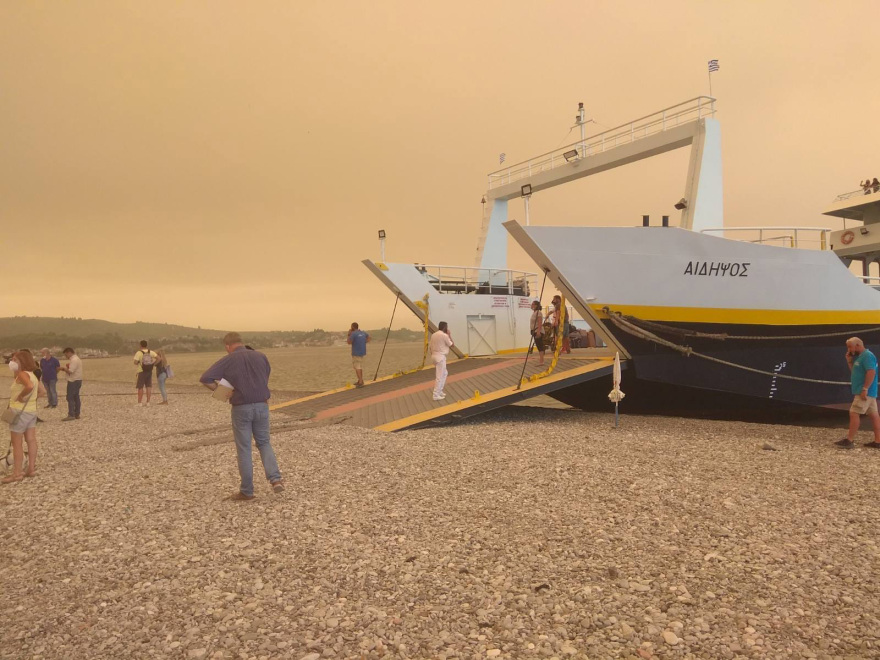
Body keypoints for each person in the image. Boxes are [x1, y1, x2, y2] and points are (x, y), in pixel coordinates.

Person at [199, 332, 284, 500]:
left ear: (227, 346)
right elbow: (265, 376)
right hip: (262, 405)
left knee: (244, 448)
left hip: (241, 407)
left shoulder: (229, 359)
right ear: (242, 342)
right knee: (264, 442)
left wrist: (221, 391)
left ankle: (247, 490)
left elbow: (205, 378)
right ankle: (276, 480)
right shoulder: (261, 356)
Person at [3, 350, 45, 483]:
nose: (12, 362)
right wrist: (31, 400)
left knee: (17, 444)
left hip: (19, 412)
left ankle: (17, 473)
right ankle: (31, 469)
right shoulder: (33, 374)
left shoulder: (22, 374)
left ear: (22, 361)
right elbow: (42, 391)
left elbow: (29, 386)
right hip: (31, 411)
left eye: (15, 360)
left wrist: (21, 397)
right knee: (31, 440)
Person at [836, 337, 880, 449]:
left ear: (857, 345)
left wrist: (865, 389)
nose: (849, 349)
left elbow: (871, 372)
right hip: (868, 391)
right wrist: (849, 361)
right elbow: (856, 372)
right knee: (874, 415)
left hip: (864, 391)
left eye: (850, 347)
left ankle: (849, 440)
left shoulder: (867, 356)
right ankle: (878, 441)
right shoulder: (860, 357)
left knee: (854, 413)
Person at [429, 321, 454, 401]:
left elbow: (430, 347)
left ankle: (440, 391)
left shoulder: (433, 335)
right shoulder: (444, 335)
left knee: (445, 373)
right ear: (445, 327)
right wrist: (449, 335)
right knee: (439, 376)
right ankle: (436, 395)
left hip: (434, 355)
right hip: (440, 357)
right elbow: (452, 345)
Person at [60, 347, 83, 421]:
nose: (65, 356)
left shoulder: (74, 360)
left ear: (69, 352)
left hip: (73, 381)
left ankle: (71, 414)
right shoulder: (77, 359)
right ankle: (77, 413)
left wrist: (63, 369)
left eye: (66, 354)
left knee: (70, 397)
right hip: (78, 380)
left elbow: (70, 371)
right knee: (76, 397)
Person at [134, 340, 158, 406]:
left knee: (140, 387)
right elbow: (159, 358)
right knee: (148, 386)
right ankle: (148, 402)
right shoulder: (151, 352)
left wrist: (139, 362)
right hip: (149, 371)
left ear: (140, 345)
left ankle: (139, 403)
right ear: (146, 345)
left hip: (141, 371)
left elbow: (135, 362)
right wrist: (153, 364)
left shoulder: (139, 353)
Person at [347, 323, 370, 388]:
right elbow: (369, 338)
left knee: (357, 367)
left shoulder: (353, 334)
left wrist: (349, 334)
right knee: (359, 366)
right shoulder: (363, 333)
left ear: (352, 327)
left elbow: (349, 342)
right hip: (362, 352)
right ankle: (360, 380)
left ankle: (360, 381)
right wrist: (363, 342)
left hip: (356, 353)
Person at [529, 300, 546, 365]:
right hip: (534, 331)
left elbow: (540, 322)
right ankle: (541, 360)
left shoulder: (538, 313)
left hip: (537, 331)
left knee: (540, 345)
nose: (532, 305)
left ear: (536, 306)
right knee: (538, 345)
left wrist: (538, 331)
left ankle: (541, 361)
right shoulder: (534, 313)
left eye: (533, 304)